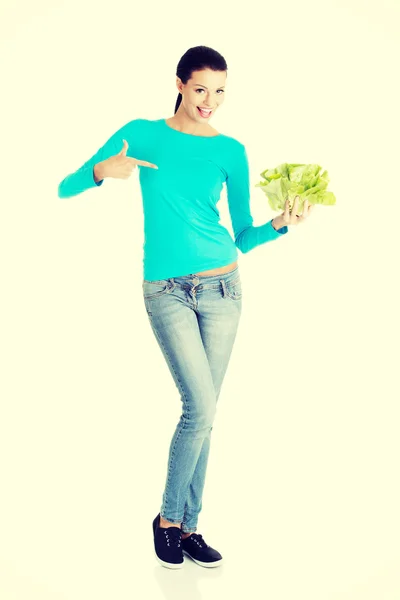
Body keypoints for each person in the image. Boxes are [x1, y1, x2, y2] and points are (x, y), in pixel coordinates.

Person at [58, 45, 315, 570]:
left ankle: (190, 526)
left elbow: (243, 234)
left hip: (224, 289)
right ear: (179, 83)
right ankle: (168, 520)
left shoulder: (231, 151)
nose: (210, 101)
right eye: (201, 89)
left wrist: (281, 225)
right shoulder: (143, 133)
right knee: (198, 409)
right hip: (166, 292)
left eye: (220, 91)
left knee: (206, 415)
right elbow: (66, 186)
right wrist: (104, 170)